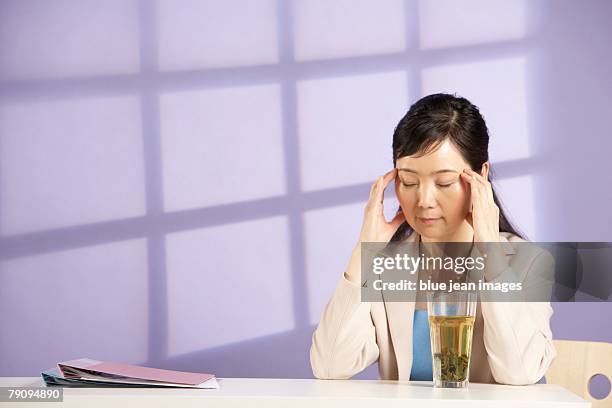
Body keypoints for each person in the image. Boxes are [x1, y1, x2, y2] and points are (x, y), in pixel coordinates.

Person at [309, 93, 556, 385]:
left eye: (444, 182)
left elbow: (520, 372)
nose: (424, 200)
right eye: (409, 182)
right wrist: (362, 253)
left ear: (480, 176)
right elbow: (329, 366)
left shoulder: (528, 261)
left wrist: (492, 255)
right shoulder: (386, 263)